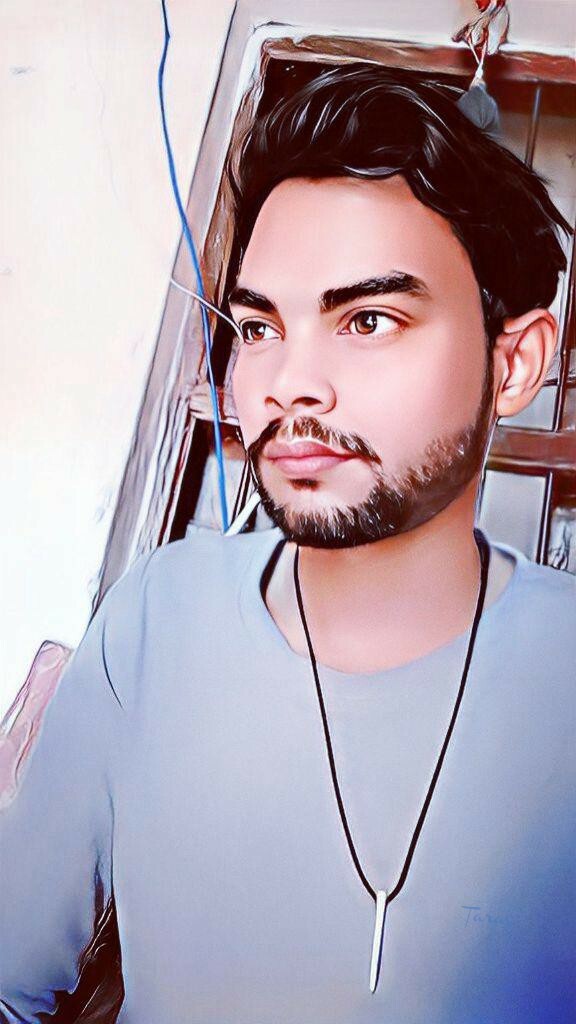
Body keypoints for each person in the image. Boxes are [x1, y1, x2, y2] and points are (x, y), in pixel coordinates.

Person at [1, 64, 574, 1024]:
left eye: (368, 319)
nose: (288, 382)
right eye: (260, 326)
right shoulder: (157, 618)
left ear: (514, 363)